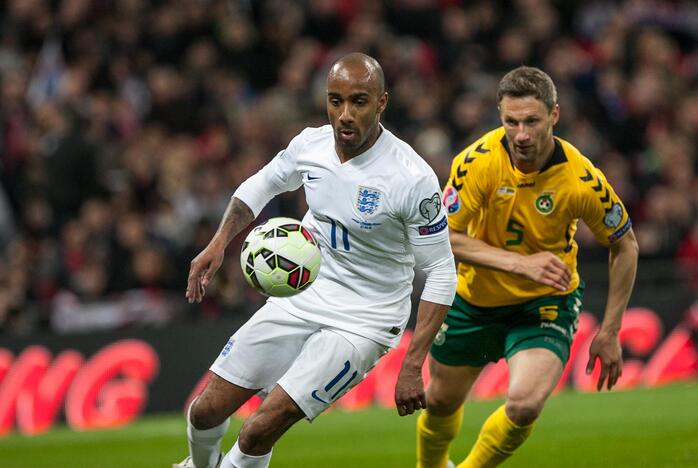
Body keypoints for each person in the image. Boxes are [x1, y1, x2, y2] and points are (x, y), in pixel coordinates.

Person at [173, 53, 457, 468]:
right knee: (204, 411)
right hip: (304, 295)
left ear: (382, 103)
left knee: (258, 429)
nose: (344, 114)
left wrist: (413, 364)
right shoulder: (311, 145)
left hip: (366, 319)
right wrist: (219, 243)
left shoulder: (411, 178)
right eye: (335, 100)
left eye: (359, 101)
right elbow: (262, 184)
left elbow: (441, 271)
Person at [416, 66, 639, 468]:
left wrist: (610, 330)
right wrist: (521, 264)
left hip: (543, 304)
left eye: (532, 121)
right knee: (439, 402)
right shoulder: (477, 162)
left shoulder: (581, 179)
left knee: (524, 405)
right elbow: (443, 237)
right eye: (511, 122)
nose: (520, 134)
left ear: (554, 115)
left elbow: (625, 245)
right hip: (474, 299)